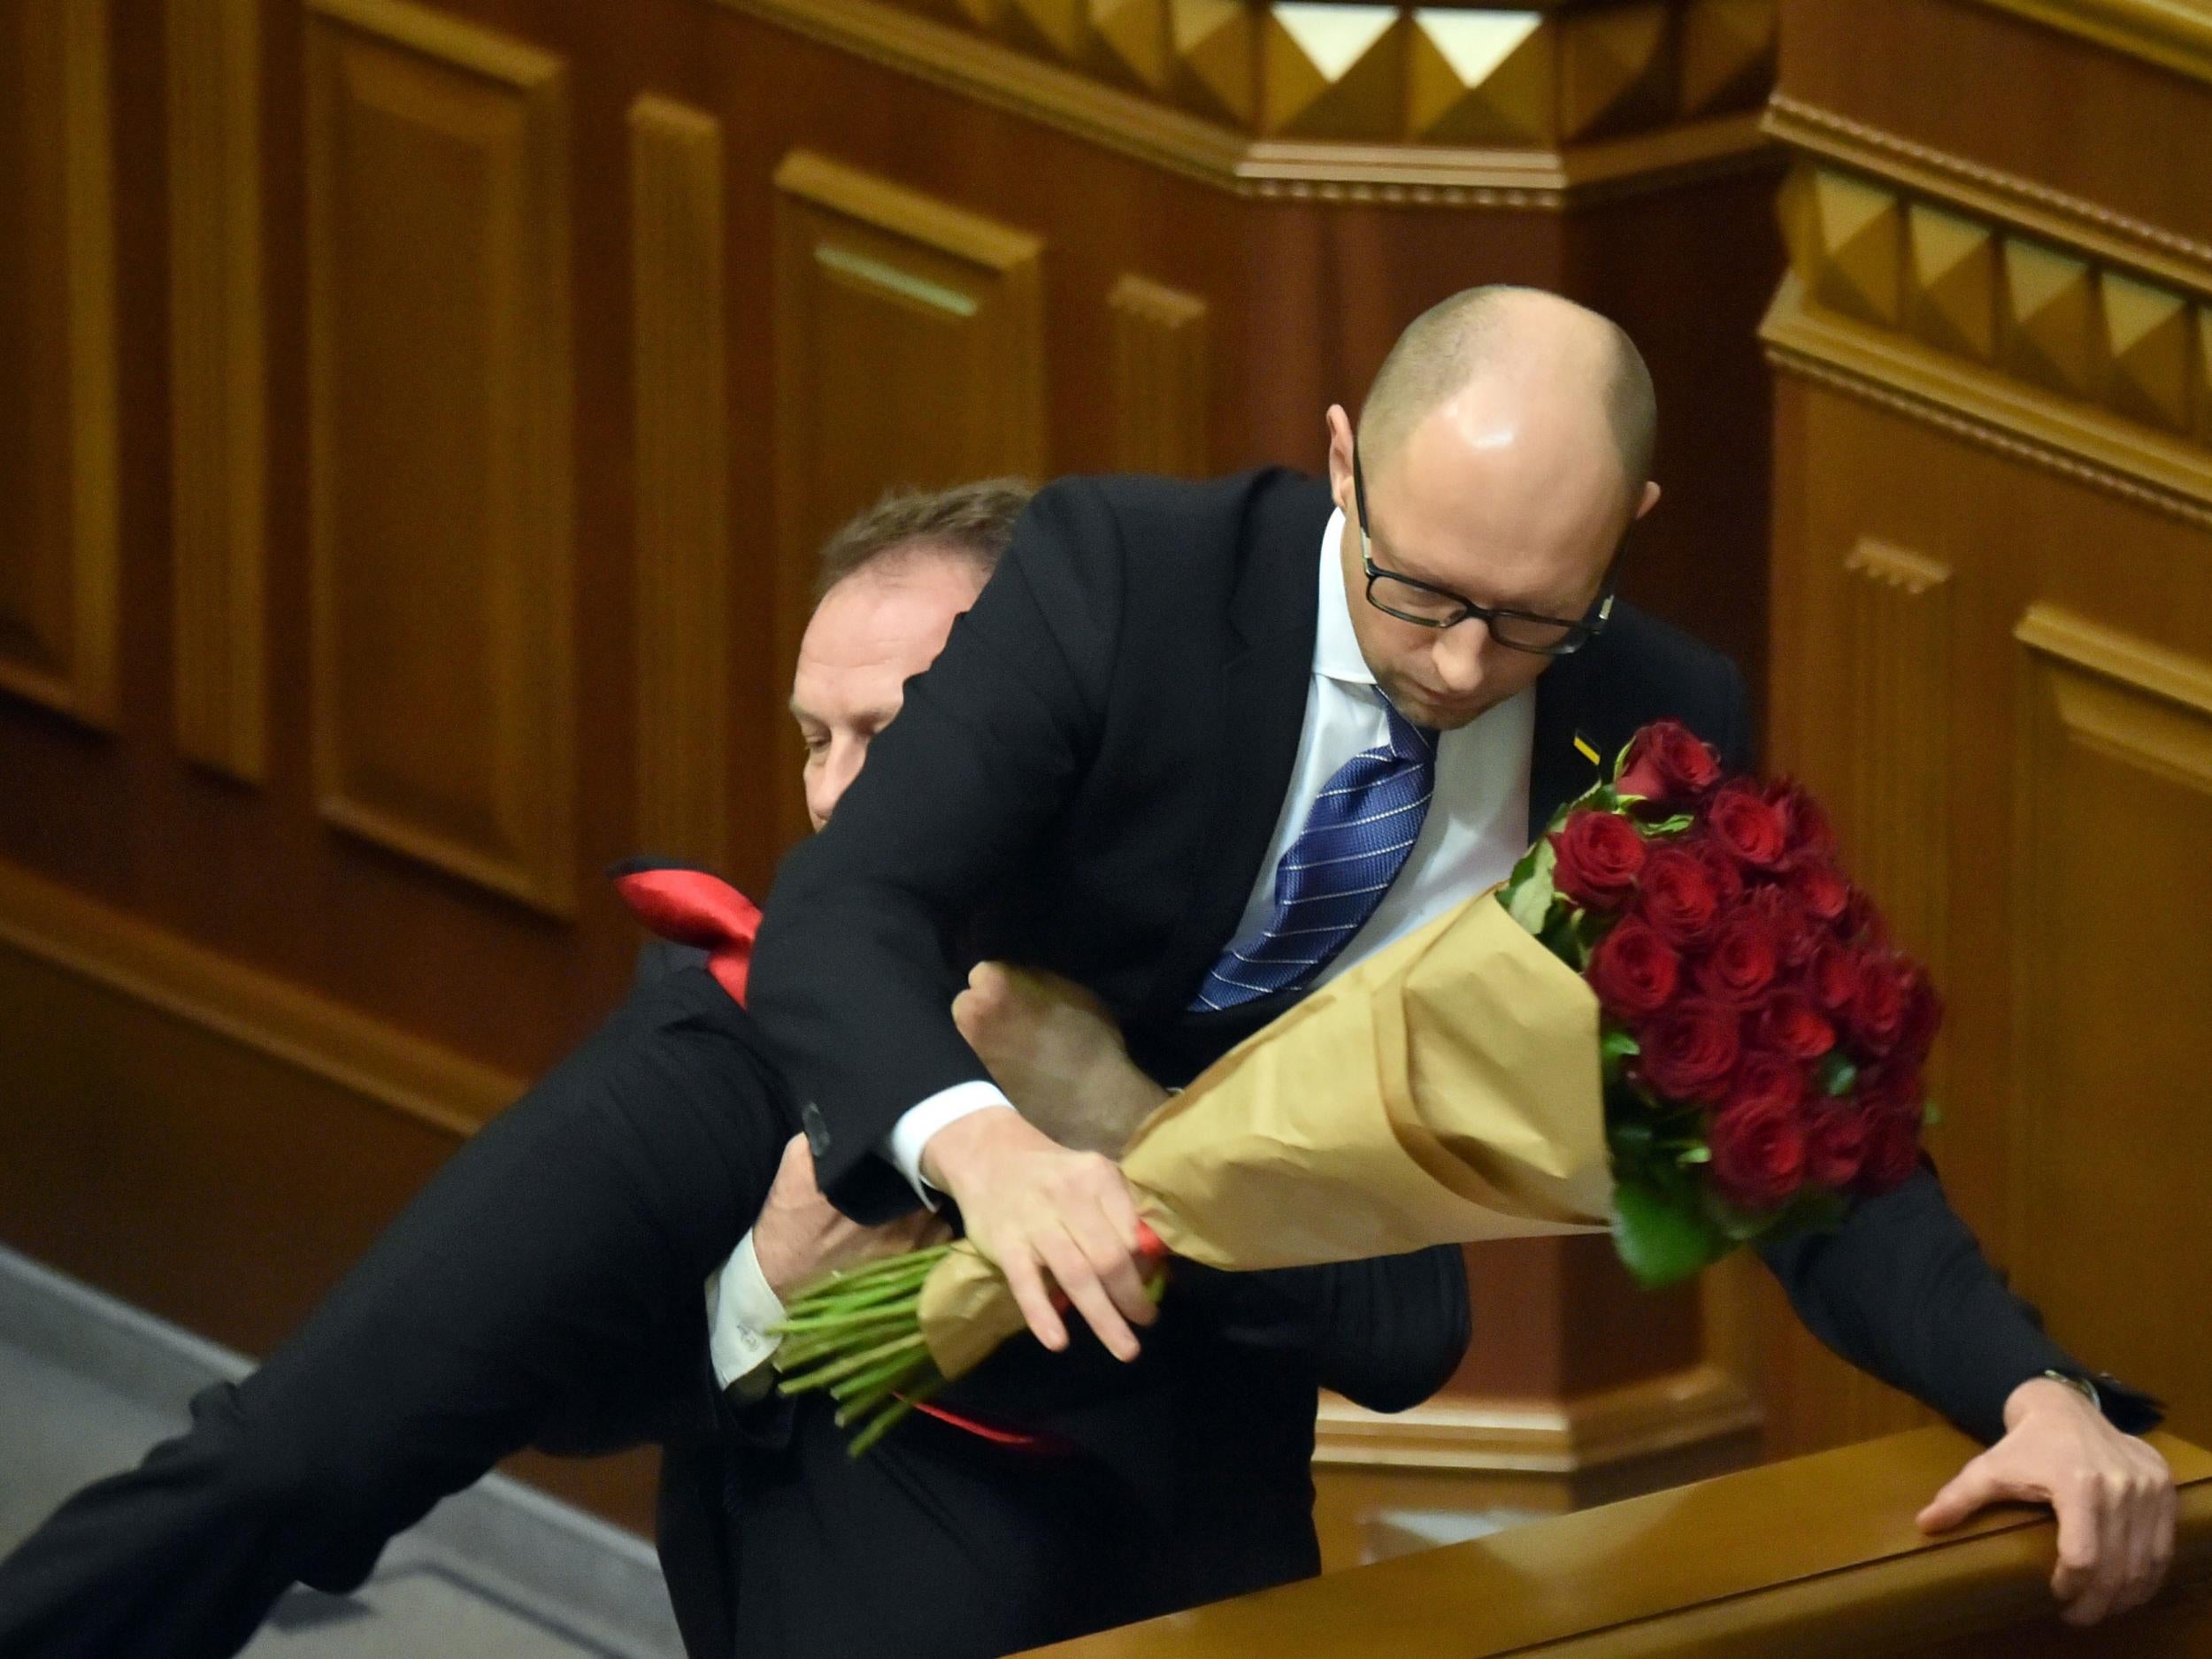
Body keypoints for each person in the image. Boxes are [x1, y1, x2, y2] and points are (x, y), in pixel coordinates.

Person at [747, 285, 2177, 1631]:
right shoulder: (1135, 578)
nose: (1457, 663)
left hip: (1231, 1401)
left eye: (1534, 619)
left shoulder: (1658, 722)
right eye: (1420, 592)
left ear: (1632, 527)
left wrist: (2028, 1392)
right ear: (1345, 465)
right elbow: (845, 912)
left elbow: (1797, 1145)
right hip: (892, 1304)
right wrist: (989, 1147)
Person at [0, 480, 1471, 1659]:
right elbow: (394, 1427)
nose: (836, 792)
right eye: (812, 741)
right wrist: (756, 1295)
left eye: (892, 734)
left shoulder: (1231, 974)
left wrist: (1125, 1121)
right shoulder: (726, 1053)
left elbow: (1408, 1333)